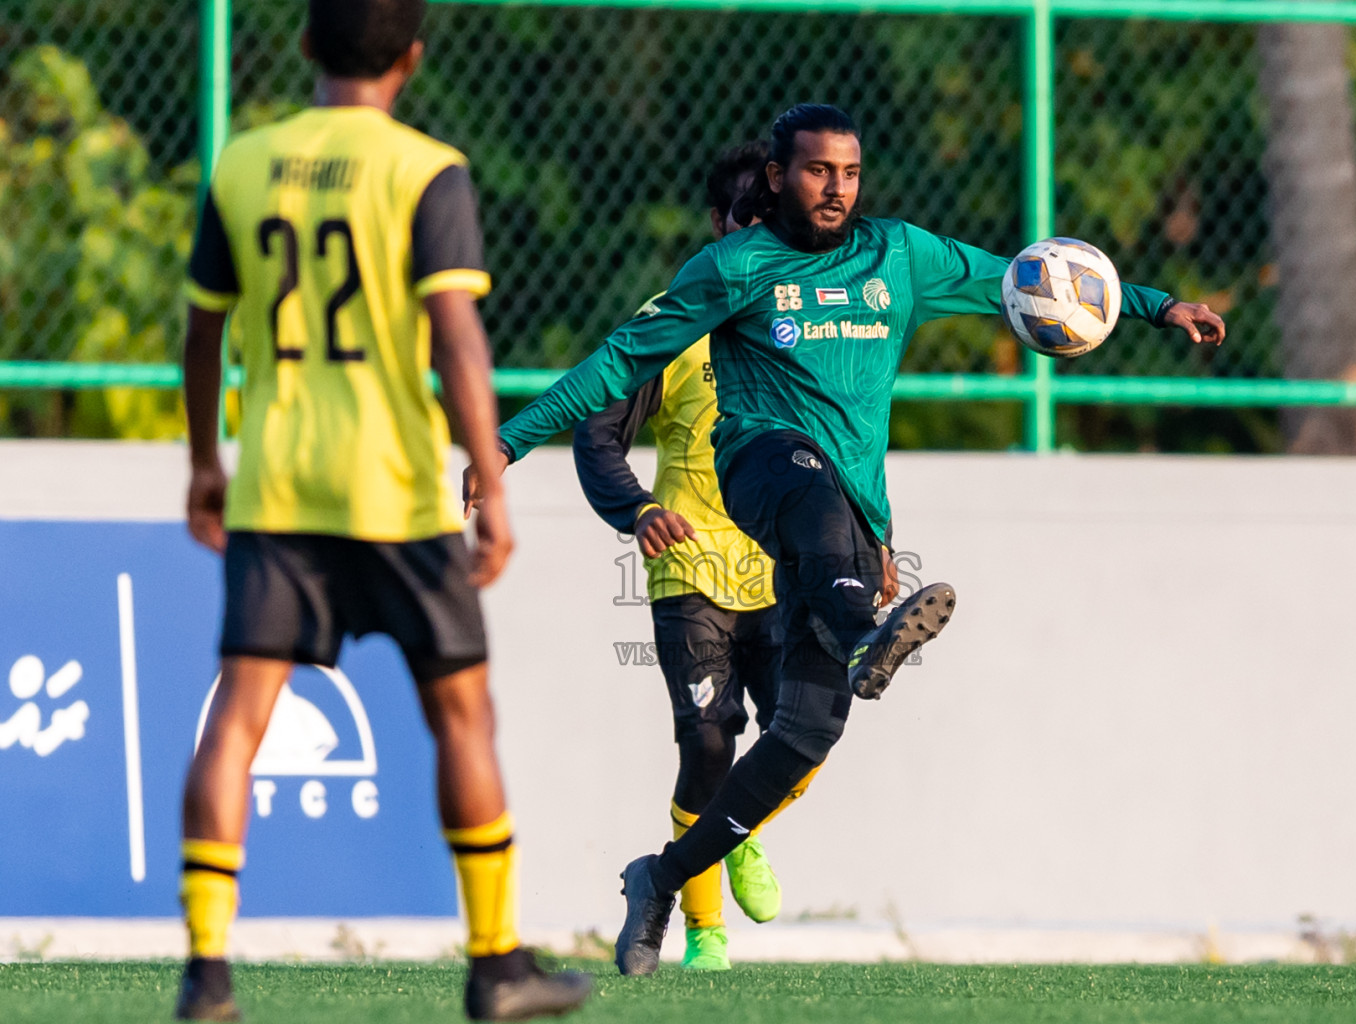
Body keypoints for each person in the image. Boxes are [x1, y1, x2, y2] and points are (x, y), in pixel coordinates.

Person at [467, 103, 1225, 976]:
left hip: (854, 518)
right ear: (780, 177)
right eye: (818, 171)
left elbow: (1024, 277)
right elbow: (616, 364)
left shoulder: (898, 255)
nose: (836, 188)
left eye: (850, 172)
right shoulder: (736, 266)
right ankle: (867, 632)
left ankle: (661, 880)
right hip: (762, 464)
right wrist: (506, 442)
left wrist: (1155, 307)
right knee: (807, 478)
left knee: (803, 736)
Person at [176, 0, 589, 1018]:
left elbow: (201, 332)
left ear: (307, 45)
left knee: (236, 721)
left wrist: (203, 462)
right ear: (411, 57)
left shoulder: (242, 162)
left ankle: (206, 971)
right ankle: (497, 964)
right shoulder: (425, 168)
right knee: (463, 718)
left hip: (278, 485)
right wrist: (489, 488)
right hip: (397, 493)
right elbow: (458, 340)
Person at [569, 140, 894, 971]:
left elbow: (849, 441)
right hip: (694, 569)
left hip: (784, 567)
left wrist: (875, 542)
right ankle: (705, 935)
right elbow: (597, 431)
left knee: (811, 735)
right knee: (708, 744)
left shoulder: (811, 316)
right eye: (750, 221)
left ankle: (736, 831)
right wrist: (635, 507)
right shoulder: (677, 318)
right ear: (721, 226)